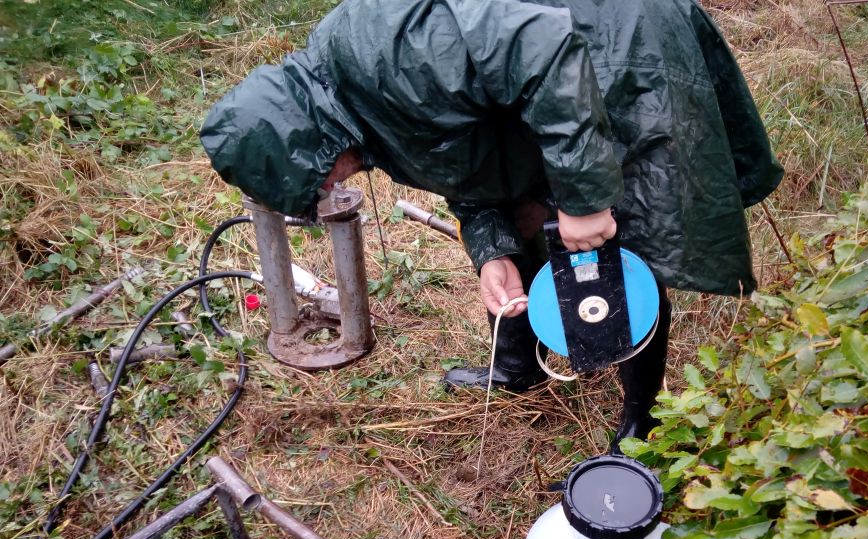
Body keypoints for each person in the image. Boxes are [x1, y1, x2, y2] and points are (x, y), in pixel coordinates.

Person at [201, 0, 783, 451]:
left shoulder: (388, 56)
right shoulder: (352, 102)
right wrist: (493, 250)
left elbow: (548, 51)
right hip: (549, 77)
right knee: (537, 213)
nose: (330, 189)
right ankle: (518, 366)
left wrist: (582, 199)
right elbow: (466, 159)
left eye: (319, 179)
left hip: (615, 44)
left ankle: (643, 419)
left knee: (618, 231)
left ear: (306, 139)